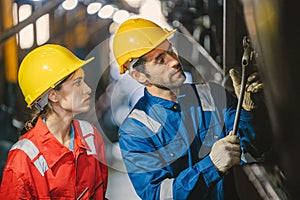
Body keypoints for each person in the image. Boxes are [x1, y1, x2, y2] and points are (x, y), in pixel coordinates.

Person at [112, 18, 272, 199]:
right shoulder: (135, 131)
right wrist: (212, 166)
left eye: (171, 50)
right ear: (139, 75)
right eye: (160, 59)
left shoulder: (211, 95)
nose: (174, 61)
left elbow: (254, 148)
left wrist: (248, 109)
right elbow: (158, 194)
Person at [0, 44, 108, 199]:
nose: (87, 89)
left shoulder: (90, 136)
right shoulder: (24, 158)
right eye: (77, 83)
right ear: (53, 96)